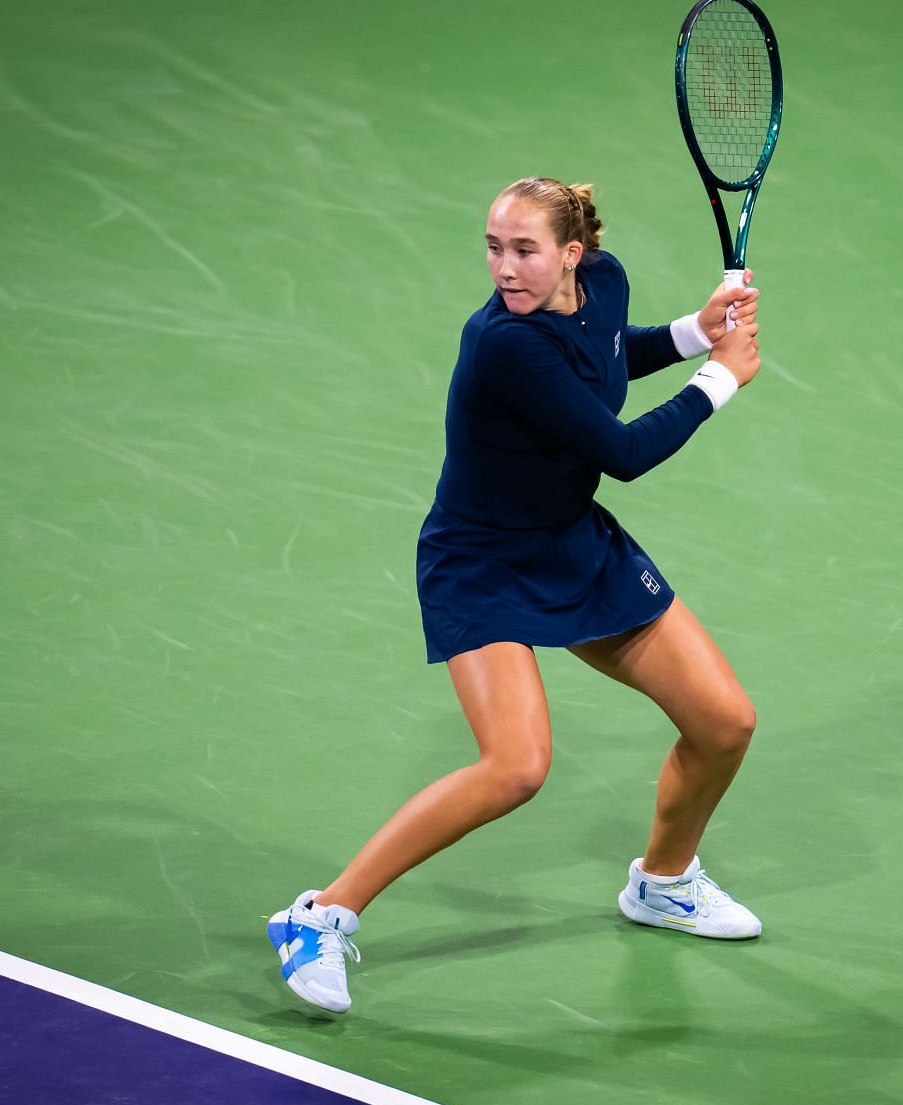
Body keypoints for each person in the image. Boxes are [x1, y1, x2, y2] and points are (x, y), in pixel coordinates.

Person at [266, 176, 765, 1013]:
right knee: (516, 766)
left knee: (724, 723)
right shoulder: (501, 342)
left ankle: (665, 883)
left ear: (573, 254)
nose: (504, 266)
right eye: (494, 247)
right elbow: (621, 451)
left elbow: (606, 353)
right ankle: (318, 916)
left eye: (524, 249)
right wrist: (720, 377)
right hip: (482, 561)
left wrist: (690, 333)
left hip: (570, 543)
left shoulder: (603, 284)